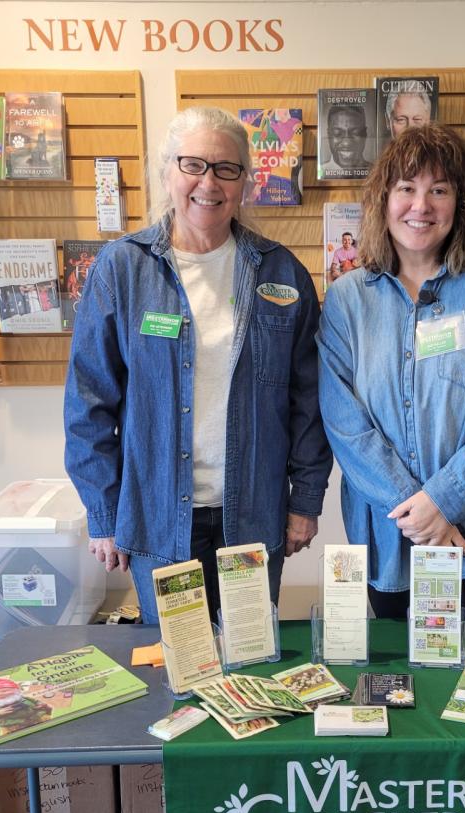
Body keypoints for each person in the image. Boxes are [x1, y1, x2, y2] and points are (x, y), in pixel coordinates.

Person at [64, 106, 332, 625]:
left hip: (253, 516)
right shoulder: (123, 269)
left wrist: (307, 500)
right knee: (177, 665)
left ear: (244, 181)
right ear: (167, 172)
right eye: (193, 165)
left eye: (226, 168)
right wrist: (102, 514)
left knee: (249, 659)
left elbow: (309, 401)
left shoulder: (281, 272)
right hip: (159, 519)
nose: (209, 182)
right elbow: (88, 403)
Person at [317, 124, 465, 618]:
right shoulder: (347, 299)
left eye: (439, 190)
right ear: (383, 199)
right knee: (402, 686)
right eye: (406, 188)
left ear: (460, 203)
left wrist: (444, 501)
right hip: (390, 537)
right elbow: (344, 423)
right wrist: (421, 514)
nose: (421, 206)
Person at [322, 104, 371, 176]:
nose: (346, 143)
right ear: (328, 135)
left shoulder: (377, 172)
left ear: (365, 134)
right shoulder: (321, 172)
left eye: (355, 133)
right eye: (337, 133)